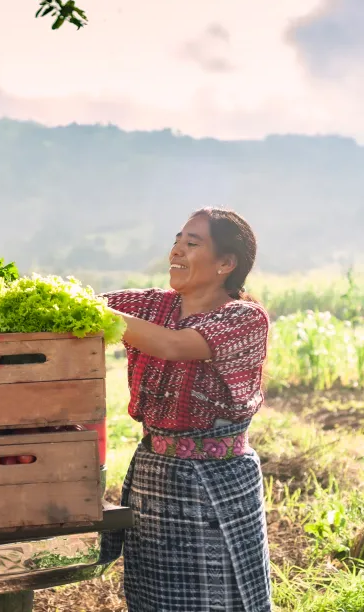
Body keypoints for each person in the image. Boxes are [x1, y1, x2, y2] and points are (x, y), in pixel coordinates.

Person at [101, 207, 271, 612]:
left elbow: (173, 346)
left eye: (192, 243)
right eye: (177, 240)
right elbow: (83, 304)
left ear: (226, 264)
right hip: (154, 477)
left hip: (215, 485)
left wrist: (96, 314)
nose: (177, 249)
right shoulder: (154, 306)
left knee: (219, 599)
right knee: (154, 598)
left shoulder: (244, 318)